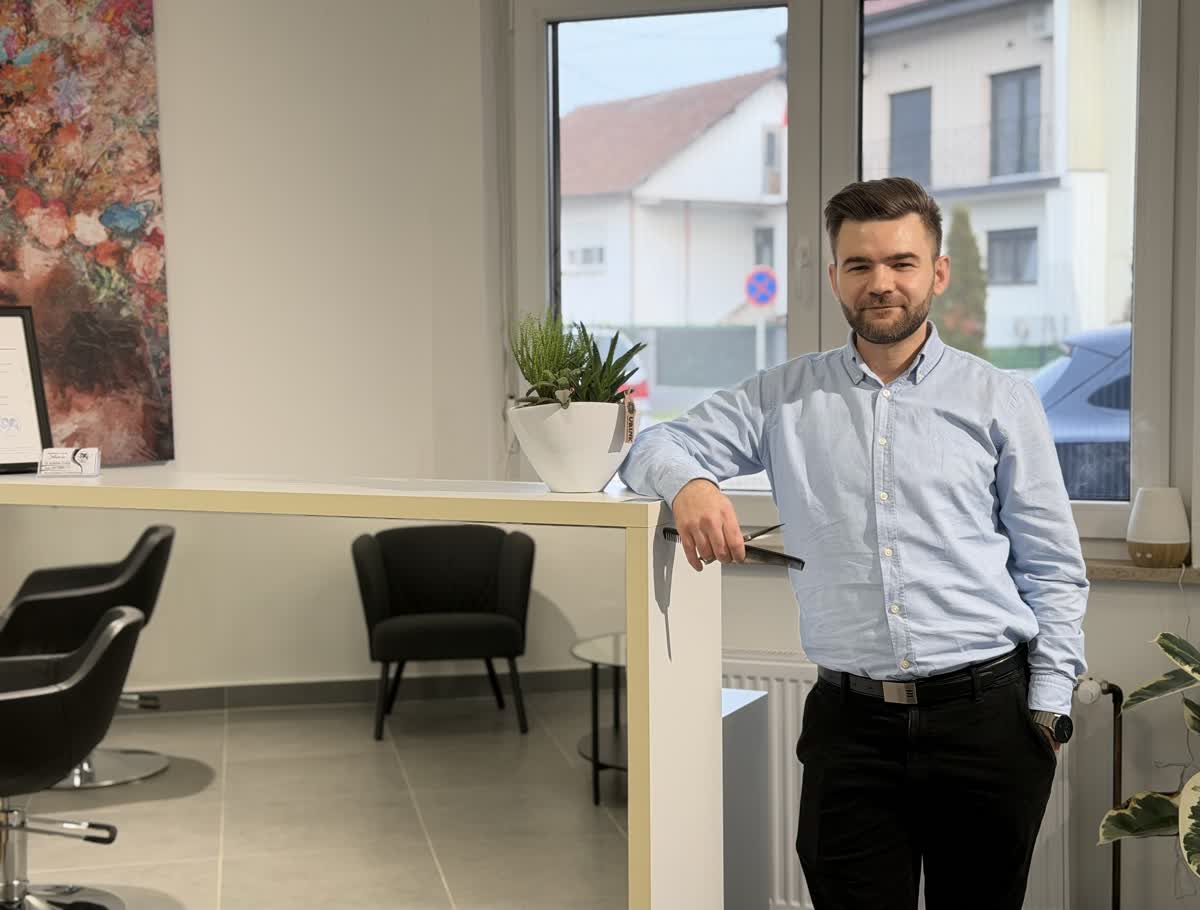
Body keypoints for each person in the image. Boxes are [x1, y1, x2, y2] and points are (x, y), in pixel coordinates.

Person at [618, 177, 1087, 910]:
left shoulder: (1001, 400)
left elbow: (1053, 567)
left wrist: (1049, 709)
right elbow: (648, 446)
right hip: (851, 729)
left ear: (937, 272)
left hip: (989, 721)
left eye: (902, 262)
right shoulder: (782, 397)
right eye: (861, 265)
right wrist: (692, 485)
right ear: (835, 276)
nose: (881, 283)